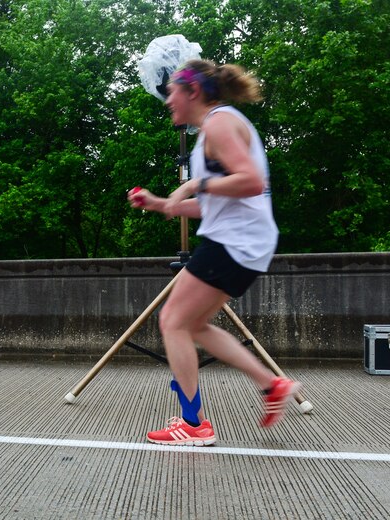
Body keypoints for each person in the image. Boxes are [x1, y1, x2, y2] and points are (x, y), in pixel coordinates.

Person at [127, 59, 301, 445]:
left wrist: (193, 186)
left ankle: (193, 425)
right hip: (245, 240)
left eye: (171, 91)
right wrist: (160, 203)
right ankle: (271, 385)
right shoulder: (213, 130)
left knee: (172, 321)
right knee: (193, 325)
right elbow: (217, 202)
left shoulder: (219, 122)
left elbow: (251, 182)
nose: (167, 100)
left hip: (235, 241)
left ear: (193, 92)